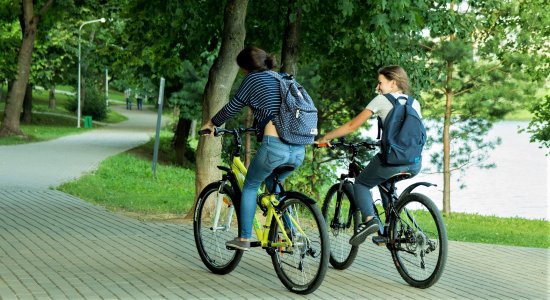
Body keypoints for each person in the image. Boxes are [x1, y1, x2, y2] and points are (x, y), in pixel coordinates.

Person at [200, 46, 306, 251]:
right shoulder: (281, 77)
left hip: (275, 147)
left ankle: (243, 239)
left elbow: (233, 106)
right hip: (299, 149)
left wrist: (211, 123)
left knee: (249, 186)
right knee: (274, 185)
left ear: (246, 67)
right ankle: (289, 233)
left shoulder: (253, 79)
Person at [315, 65, 423, 246]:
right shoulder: (415, 103)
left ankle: (370, 220)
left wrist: (325, 137)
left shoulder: (381, 100)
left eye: (380, 83)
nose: (378, 87)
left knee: (362, 183)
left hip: (391, 161)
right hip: (414, 162)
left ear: (393, 82)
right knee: (384, 181)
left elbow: (351, 126)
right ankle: (389, 231)